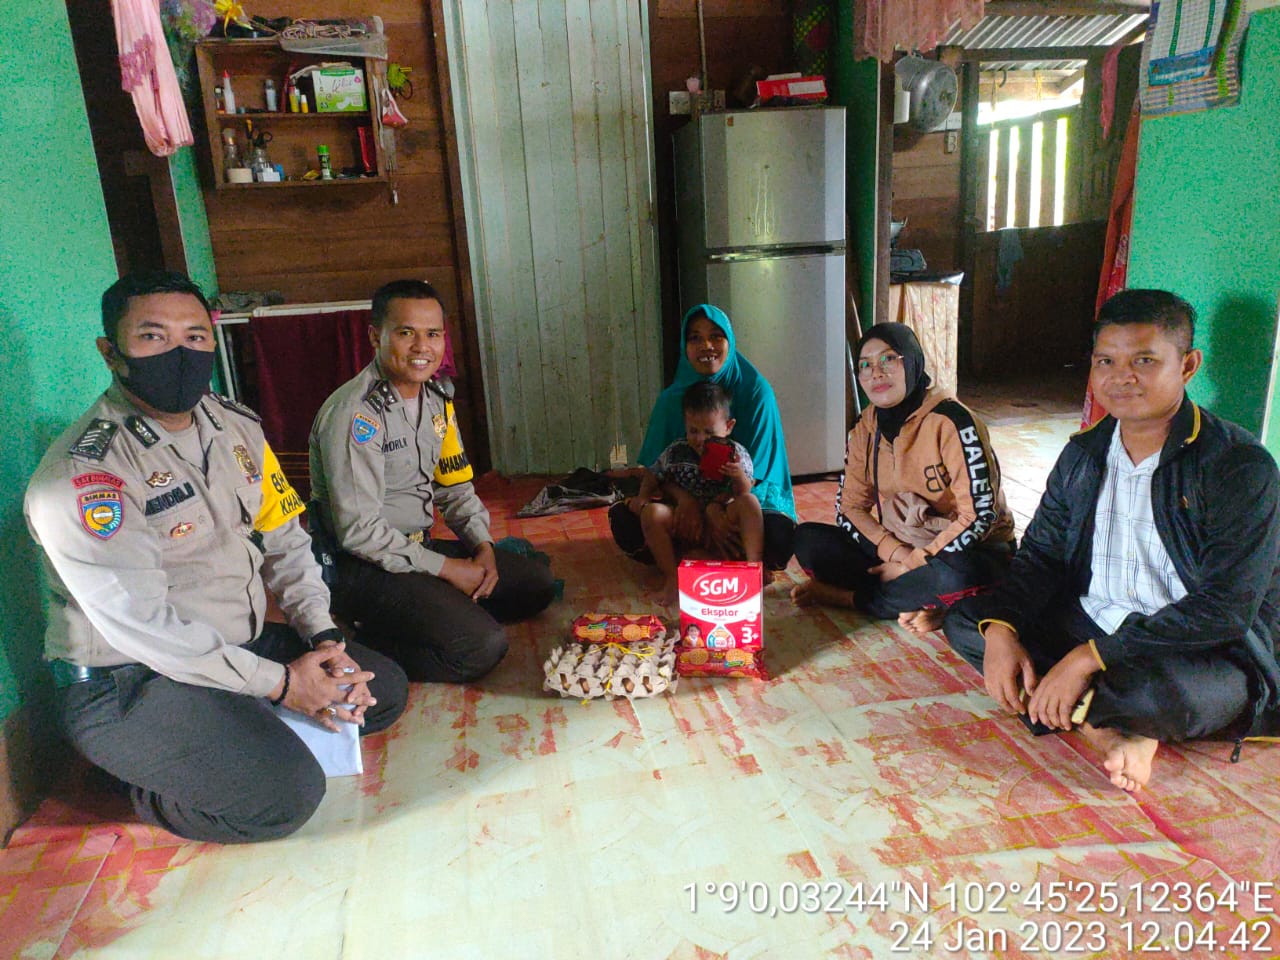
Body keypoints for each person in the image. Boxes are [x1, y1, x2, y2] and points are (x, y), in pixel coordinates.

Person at [23, 271, 408, 844]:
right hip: (127, 681)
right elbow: (146, 629)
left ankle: (236, 723)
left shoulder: (234, 427)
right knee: (285, 798)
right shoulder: (84, 477)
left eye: (196, 337)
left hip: (233, 647)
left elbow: (285, 536)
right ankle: (133, 776)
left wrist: (323, 638)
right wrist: (280, 685)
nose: (180, 353)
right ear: (111, 353)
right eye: (153, 337)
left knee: (382, 690)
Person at [944, 289, 1280, 792]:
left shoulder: (1237, 465)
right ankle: (1108, 730)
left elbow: (1226, 609)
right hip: (1093, 619)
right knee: (969, 623)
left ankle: (1099, 712)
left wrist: (1088, 659)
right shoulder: (1083, 455)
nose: (1121, 377)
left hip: (1193, 647)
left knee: (1161, 695)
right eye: (1106, 360)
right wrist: (1002, 629)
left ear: (1188, 365)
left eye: (1144, 360)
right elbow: (1040, 557)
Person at [309, 279, 556, 684]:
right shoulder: (355, 414)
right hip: (360, 567)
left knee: (536, 585)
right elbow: (359, 533)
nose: (422, 347)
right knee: (480, 648)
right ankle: (367, 639)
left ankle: (435, 609)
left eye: (433, 334)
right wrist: (448, 570)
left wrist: (483, 547)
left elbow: (455, 487)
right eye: (406, 333)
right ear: (376, 336)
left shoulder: (436, 400)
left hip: (415, 547)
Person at [791, 323, 1016, 633]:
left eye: (888, 359)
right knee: (807, 540)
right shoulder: (865, 427)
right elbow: (850, 508)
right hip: (906, 540)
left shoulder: (953, 421)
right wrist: (897, 555)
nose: (876, 373)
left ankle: (851, 598)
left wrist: (911, 566)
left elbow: (978, 517)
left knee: (959, 576)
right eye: (865, 365)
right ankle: (933, 600)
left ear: (912, 361)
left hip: (968, 549)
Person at [610, 304, 796, 570]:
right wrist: (688, 502)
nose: (706, 345)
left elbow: (756, 477)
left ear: (729, 341)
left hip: (737, 505)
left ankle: (697, 555)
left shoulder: (756, 393)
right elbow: (658, 471)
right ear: (685, 347)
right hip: (684, 507)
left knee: (778, 536)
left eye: (716, 336)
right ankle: (707, 555)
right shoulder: (670, 401)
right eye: (695, 337)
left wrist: (715, 510)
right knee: (624, 520)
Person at [627, 382, 764, 603]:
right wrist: (643, 497)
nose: (700, 439)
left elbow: (744, 491)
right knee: (652, 513)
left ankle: (754, 567)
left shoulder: (735, 454)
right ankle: (673, 577)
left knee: (750, 502)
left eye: (709, 432)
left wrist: (737, 474)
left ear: (728, 427)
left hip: (722, 523)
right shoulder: (677, 450)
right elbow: (654, 474)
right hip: (686, 525)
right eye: (693, 430)